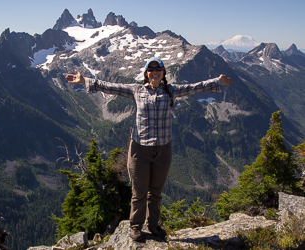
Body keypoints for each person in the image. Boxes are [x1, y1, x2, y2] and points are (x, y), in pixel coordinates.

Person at [65, 57, 232, 241]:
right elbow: (111, 86)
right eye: (151, 70)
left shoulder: (171, 90)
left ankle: (153, 225)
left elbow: (194, 87)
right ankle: (135, 226)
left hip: (163, 150)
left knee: (156, 192)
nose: (154, 72)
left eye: (158, 69)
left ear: (163, 72)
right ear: (146, 73)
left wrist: (217, 82)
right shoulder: (136, 90)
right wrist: (85, 80)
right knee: (139, 191)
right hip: (139, 150)